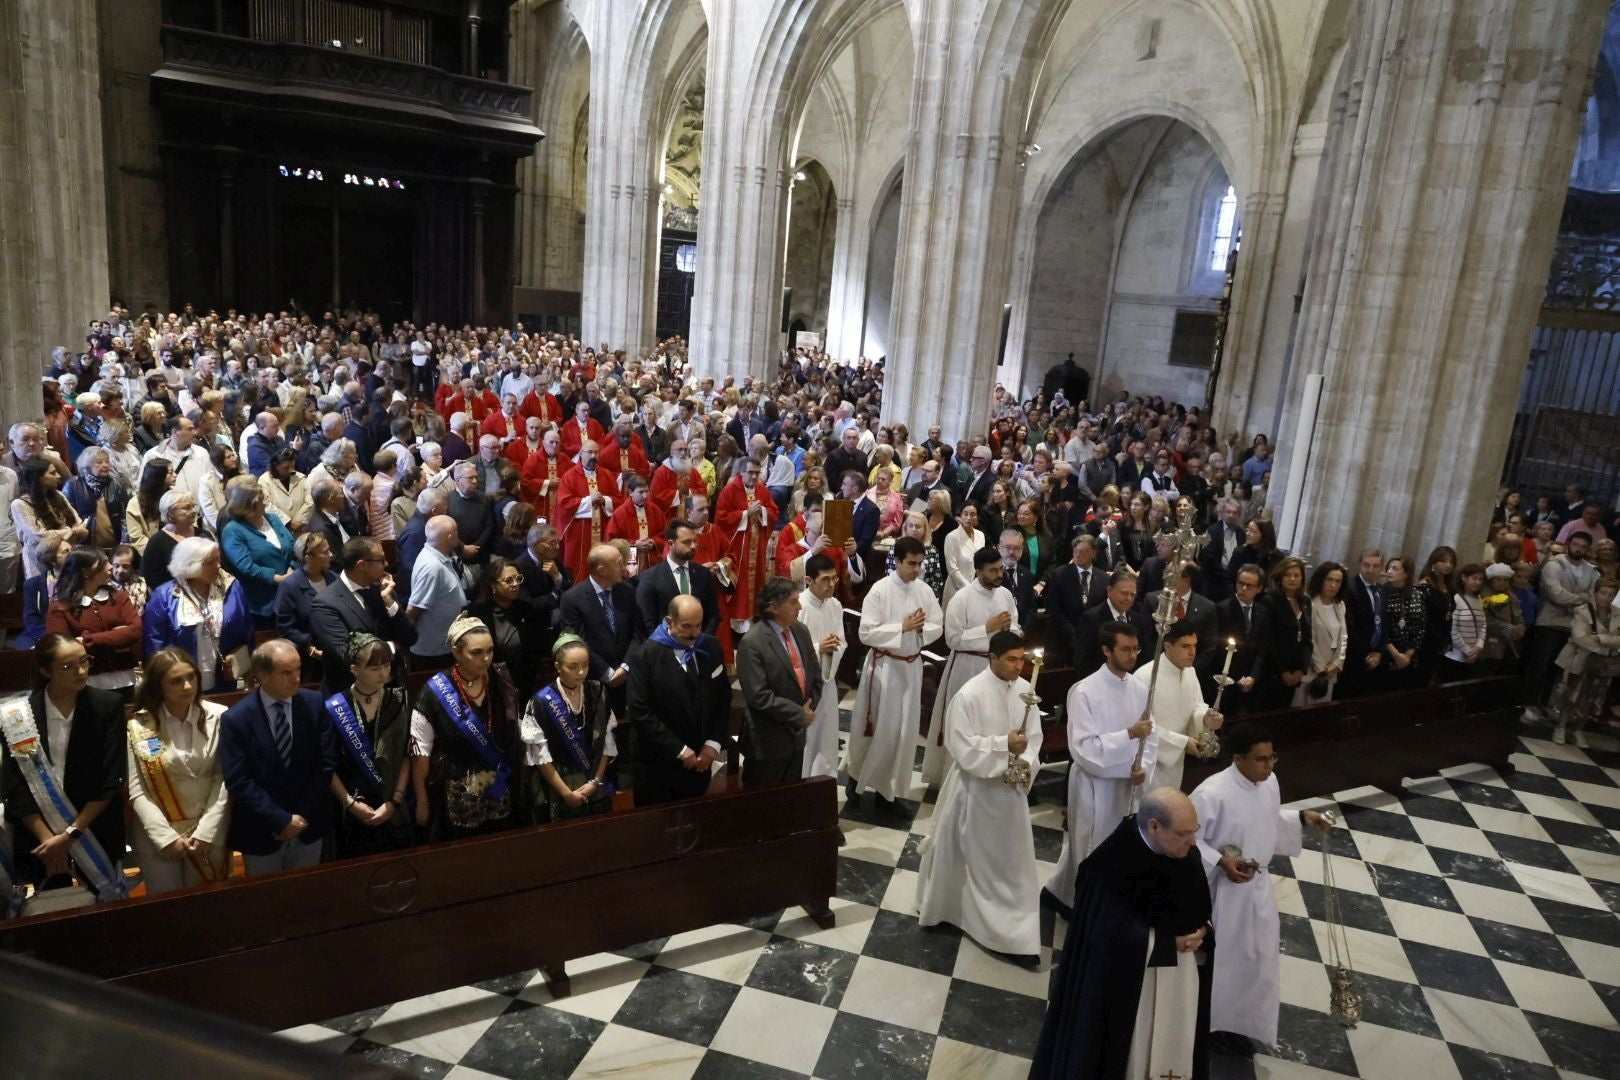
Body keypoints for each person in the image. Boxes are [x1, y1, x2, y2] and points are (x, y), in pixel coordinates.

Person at [1031, 787, 1213, 1080]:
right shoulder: (1109, 867)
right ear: (1154, 827)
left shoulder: (1184, 853)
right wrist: (1165, 943)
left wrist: (1204, 930)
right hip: (1129, 991)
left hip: (1181, 979)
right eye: (1183, 833)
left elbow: (1198, 906)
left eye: (1195, 831)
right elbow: (1103, 938)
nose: (1192, 841)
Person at [1190, 723, 1332, 1056]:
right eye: (1261, 759)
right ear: (1238, 758)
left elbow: (1265, 819)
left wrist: (1301, 818)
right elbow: (1185, 839)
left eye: (1272, 758)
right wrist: (1220, 861)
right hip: (1222, 891)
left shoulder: (1268, 784)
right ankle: (1212, 1025)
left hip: (1257, 886)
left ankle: (1242, 1021)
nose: (1269, 766)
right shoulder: (1212, 793)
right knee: (1225, 960)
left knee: (1258, 959)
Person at [915, 630, 1043, 962]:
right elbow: (961, 746)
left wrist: (1025, 763)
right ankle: (959, 913)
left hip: (1010, 794)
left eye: (1021, 660)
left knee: (1010, 862)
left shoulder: (1026, 691)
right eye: (1011, 660)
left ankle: (1014, 929)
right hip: (975, 790)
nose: (1019, 667)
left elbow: (1035, 738)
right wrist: (1004, 746)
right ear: (992, 659)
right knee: (971, 859)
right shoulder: (970, 695)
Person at [0, 634, 128, 898]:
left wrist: (70, 835)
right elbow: (15, 786)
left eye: (84, 661)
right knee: (54, 913)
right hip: (41, 839)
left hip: (95, 830)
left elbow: (111, 779)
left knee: (106, 917)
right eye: (68, 666)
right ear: (46, 670)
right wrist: (51, 842)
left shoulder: (108, 706)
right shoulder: (16, 716)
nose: (81, 671)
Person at [1044, 620, 1153, 914]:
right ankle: (1084, 908)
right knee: (1089, 848)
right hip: (1095, 784)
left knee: (1121, 851)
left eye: (1136, 649)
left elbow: (1151, 737)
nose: (1133, 655)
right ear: (1106, 650)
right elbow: (1083, 749)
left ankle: (1063, 893)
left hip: (1127, 784)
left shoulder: (1141, 690)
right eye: (1126, 649)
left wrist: (1144, 767)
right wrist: (1128, 735)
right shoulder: (1084, 692)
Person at [218, 640, 336, 876]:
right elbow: (238, 780)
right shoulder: (236, 719)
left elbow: (326, 763)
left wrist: (298, 817)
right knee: (266, 904)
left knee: (307, 899)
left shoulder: (313, 703)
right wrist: (281, 820)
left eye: (298, 669)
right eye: (286, 672)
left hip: (308, 825)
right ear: (262, 674)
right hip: (262, 831)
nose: (296, 678)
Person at [408, 615, 529, 840]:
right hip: (455, 795)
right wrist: (422, 801)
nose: (486, 659)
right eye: (476, 652)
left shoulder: (501, 680)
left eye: (490, 650)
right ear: (456, 651)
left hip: (499, 785)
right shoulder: (434, 693)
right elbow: (420, 754)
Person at [846, 537, 943, 808]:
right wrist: (902, 627)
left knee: (904, 732)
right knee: (878, 730)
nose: (917, 569)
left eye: (920, 564)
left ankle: (889, 792)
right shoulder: (879, 590)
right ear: (897, 561)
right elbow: (865, 633)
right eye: (911, 563)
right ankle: (856, 778)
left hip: (911, 668)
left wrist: (921, 629)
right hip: (884, 668)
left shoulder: (923, 590)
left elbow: (938, 622)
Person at [124, 648, 231, 892]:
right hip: (159, 837)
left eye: (191, 677)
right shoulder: (140, 725)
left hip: (208, 831)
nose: (187, 686)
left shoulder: (220, 716)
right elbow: (137, 789)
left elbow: (223, 778)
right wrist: (166, 838)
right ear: (158, 686)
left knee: (210, 907)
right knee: (168, 912)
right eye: (176, 681)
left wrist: (207, 830)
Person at [920, 548, 1018, 788]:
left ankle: (990, 771)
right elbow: (952, 639)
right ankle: (954, 779)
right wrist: (987, 628)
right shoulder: (961, 598)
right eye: (993, 570)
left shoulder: (1005, 595)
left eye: (1000, 569)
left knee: (992, 721)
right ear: (978, 571)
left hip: (998, 669)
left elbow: (1016, 626)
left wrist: (1009, 630)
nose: (999, 574)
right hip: (967, 666)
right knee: (964, 723)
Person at [628, 595, 732, 803]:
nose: (694, 634)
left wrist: (712, 745)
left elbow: (723, 699)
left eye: (698, 625)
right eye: (686, 626)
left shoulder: (710, 647)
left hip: (700, 762)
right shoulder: (645, 656)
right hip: (659, 765)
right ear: (669, 622)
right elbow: (640, 711)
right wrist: (680, 750)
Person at [325, 632, 416, 858]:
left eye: (386, 665)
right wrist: (349, 803)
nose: (383, 673)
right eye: (374, 668)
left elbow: (408, 755)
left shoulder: (399, 699)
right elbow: (327, 764)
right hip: (351, 806)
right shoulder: (335, 706)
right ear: (355, 670)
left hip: (392, 803)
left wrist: (394, 800)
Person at [732, 577, 820, 789]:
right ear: (773, 607)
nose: (799, 606)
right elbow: (758, 695)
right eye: (793, 601)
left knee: (788, 800)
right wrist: (798, 714)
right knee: (762, 807)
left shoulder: (801, 631)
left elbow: (815, 675)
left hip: (798, 736)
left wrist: (807, 711)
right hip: (768, 740)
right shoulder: (752, 642)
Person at [143, 537, 255, 693]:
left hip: (225, 678)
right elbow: (156, 643)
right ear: (190, 566)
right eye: (210, 563)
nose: (218, 566)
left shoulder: (232, 587)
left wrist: (243, 662)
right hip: (181, 683)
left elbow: (246, 629)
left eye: (218, 559)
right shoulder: (164, 596)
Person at [525, 634, 617, 821]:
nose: (581, 672)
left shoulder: (598, 691)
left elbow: (607, 743)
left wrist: (595, 781)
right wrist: (566, 793)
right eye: (573, 667)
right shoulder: (540, 702)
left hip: (594, 783)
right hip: (559, 788)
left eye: (585, 665)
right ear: (557, 667)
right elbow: (540, 757)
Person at [1134, 619, 1224, 792]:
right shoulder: (1145, 677)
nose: (1192, 652)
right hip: (1150, 762)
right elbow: (1144, 728)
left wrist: (1206, 717)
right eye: (1185, 646)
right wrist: (1182, 742)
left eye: (1194, 646)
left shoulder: (1190, 671)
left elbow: (1197, 705)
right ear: (1167, 647)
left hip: (1176, 761)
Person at [45, 547, 142, 700]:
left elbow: (136, 630)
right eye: (103, 563)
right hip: (85, 681)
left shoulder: (119, 597)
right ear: (86, 573)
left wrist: (88, 640)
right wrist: (118, 636)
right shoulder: (61, 607)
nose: (110, 567)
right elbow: (63, 648)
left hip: (124, 678)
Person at [1526, 531, 1599, 716]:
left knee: (1557, 668)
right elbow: (1555, 593)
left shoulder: (1592, 570)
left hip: (1575, 625)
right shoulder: (1554, 564)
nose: (1579, 549)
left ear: (1588, 549)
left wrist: (1576, 601)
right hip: (1550, 622)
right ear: (1568, 544)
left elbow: (1595, 598)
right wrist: (1581, 599)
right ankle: (1530, 702)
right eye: (1576, 544)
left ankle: (1544, 703)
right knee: (1541, 664)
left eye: (1583, 546)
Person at [1550, 577, 1620, 747]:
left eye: (1611, 594)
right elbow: (1580, 638)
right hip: (1578, 657)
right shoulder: (1583, 610)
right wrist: (1607, 646)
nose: (1606, 598)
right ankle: (1560, 727)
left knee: (1591, 696)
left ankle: (1578, 730)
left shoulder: (1617, 614)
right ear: (1596, 592)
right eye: (1603, 593)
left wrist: (1601, 638)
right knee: (1571, 694)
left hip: (1602, 664)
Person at [218, 477, 296, 628]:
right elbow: (246, 566)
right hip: (263, 605)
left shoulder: (272, 518)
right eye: (262, 499)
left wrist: (292, 568)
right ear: (250, 506)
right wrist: (277, 578)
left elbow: (291, 546)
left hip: (290, 594)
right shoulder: (233, 530)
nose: (266, 502)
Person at [466, 555, 548, 699]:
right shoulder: (476, 613)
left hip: (522, 686)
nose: (515, 584)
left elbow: (537, 650)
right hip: (488, 686)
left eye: (518, 578)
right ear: (493, 585)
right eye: (508, 580)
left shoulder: (527, 610)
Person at [797, 554, 848, 780]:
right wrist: (819, 648)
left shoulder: (835, 605)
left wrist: (832, 648)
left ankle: (821, 784)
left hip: (826, 682)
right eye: (825, 579)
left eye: (834, 579)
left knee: (826, 736)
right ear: (809, 580)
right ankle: (800, 783)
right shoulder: (798, 605)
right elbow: (792, 648)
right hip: (803, 686)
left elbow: (842, 642)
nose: (831, 585)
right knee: (807, 738)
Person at [635, 517, 721, 636]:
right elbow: (648, 622)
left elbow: (713, 615)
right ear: (671, 544)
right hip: (664, 648)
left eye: (695, 541)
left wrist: (701, 642)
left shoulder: (703, 574)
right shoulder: (650, 578)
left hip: (698, 647)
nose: (693, 546)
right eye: (687, 542)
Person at [717, 457, 774, 632]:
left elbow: (774, 511)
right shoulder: (729, 490)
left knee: (757, 579)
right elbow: (721, 517)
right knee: (740, 582)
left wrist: (763, 512)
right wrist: (745, 514)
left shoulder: (762, 490)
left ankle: (753, 617)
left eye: (757, 473)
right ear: (741, 473)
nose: (754, 477)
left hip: (757, 544)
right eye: (750, 472)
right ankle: (737, 620)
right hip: (738, 546)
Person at [405, 515, 468, 671]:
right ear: (449, 536)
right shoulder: (432, 566)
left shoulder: (437, 557)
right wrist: (404, 637)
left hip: (442, 647)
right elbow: (415, 608)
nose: (458, 536)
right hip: (433, 652)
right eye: (456, 532)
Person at [275, 533, 337, 681]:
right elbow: (285, 627)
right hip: (308, 663)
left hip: (336, 654)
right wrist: (308, 645)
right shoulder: (289, 586)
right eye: (325, 552)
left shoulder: (334, 579)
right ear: (309, 557)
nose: (331, 555)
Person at [556, 439, 621, 584]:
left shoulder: (607, 475)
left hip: (602, 529)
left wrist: (604, 500)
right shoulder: (569, 476)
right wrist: (588, 500)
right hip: (579, 532)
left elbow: (618, 499)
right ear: (581, 454)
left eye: (596, 453)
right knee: (580, 570)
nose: (593, 456)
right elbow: (564, 503)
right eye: (589, 452)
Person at [1257, 556, 1311, 710]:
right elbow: (1268, 640)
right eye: (1288, 575)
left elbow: (1308, 638)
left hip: (1296, 672)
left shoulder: (1305, 602)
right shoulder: (1269, 601)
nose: (1292, 579)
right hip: (1273, 672)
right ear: (1280, 576)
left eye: (1297, 575)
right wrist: (1284, 672)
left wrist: (1302, 669)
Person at [1303, 561, 1349, 704]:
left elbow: (1343, 637)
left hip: (1331, 672)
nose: (1333, 585)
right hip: (1311, 671)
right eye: (1329, 580)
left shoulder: (1340, 605)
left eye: (1338, 581)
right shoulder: (1309, 603)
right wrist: (1321, 668)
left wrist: (1337, 662)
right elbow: (1309, 638)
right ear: (1320, 579)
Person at [1441, 563, 1488, 682]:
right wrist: (1466, 649)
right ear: (1464, 578)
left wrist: (1479, 645)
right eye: (1474, 578)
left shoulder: (1479, 599)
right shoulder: (1456, 598)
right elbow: (1453, 628)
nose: (1477, 582)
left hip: (1473, 656)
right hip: (1455, 655)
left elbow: (1483, 624)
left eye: (1480, 579)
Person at [1479, 562, 1526, 676]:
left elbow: (1519, 618)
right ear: (1491, 580)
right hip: (1485, 645)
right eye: (1498, 579)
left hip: (1507, 645)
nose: (1502, 583)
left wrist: (1519, 630)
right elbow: (1485, 619)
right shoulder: (1483, 596)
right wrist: (1507, 628)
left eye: (1505, 580)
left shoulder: (1512, 598)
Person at [940, 501, 983, 607]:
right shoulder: (952, 537)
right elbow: (952, 569)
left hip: (976, 586)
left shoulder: (980, 535)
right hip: (956, 588)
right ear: (961, 515)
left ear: (977, 517)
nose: (969, 517)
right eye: (965, 514)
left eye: (973, 514)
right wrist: (969, 589)